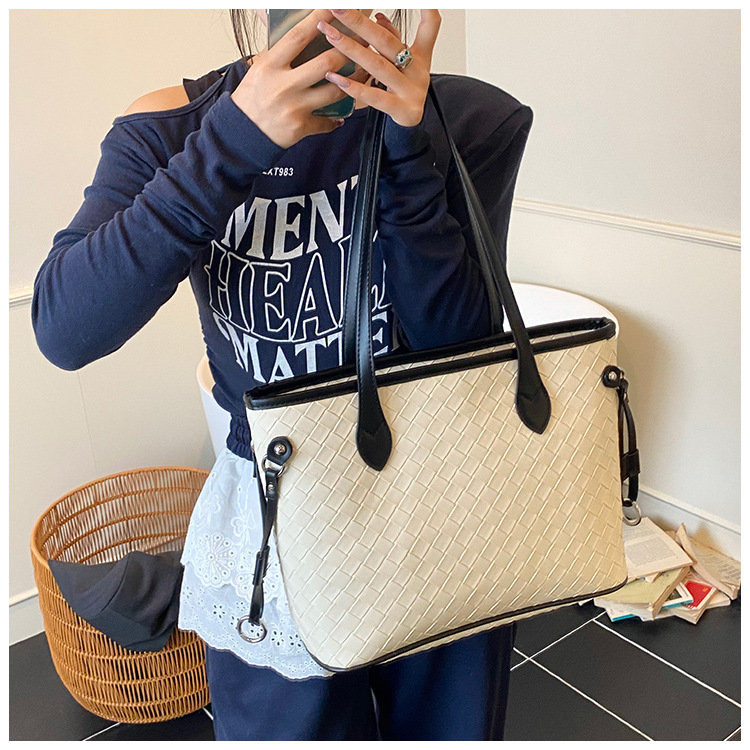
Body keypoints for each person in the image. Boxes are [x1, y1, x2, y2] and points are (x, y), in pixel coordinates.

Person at [32, 8, 533, 741]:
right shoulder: (174, 126)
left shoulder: (467, 117)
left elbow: (460, 350)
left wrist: (407, 151)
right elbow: (65, 328)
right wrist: (234, 141)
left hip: (438, 503)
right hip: (277, 522)